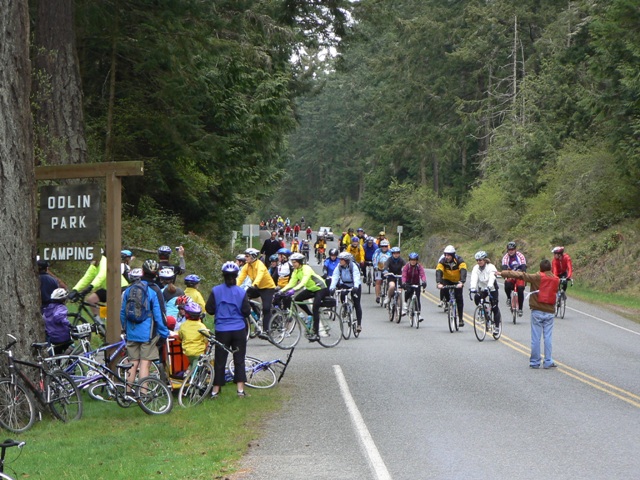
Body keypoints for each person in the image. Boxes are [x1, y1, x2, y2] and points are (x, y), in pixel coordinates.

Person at [498, 259, 560, 369]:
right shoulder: (556, 279)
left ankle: (535, 362)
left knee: (536, 338)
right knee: (548, 337)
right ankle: (548, 361)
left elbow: (520, 275)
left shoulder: (537, 277)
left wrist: (503, 273)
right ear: (550, 268)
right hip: (549, 312)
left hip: (537, 311)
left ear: (540, 268)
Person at [120, 259, 170, 390]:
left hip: (131, 331)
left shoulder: (130, 289)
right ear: (157, 274)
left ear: (142, 272)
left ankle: (128, 391)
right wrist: (164, 333)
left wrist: (125, 329)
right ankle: (143, 393)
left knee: (133, 362)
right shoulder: (154, 290)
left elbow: (122, 313)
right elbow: (160, 315)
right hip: (147, 334)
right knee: (145, 363)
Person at [206, 262, 250, 397]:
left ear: (223, 276)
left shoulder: (216, 290)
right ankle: (240, 390)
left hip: (222, 330)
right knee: (239, 359)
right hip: (238, 329)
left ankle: (215, 390)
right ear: (236, 276)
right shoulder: (241, 292)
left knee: (220, 360)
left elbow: (210, 309)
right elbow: (246, 311)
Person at [279, 252, 327, 342]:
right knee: (297, 299)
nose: (293, 264)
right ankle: (310, 315)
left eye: (295, 262)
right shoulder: (296, 271)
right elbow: (291, 283)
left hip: (320, 288)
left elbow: (303, 282)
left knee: (315, 307)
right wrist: (281, 291)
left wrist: (294, 290)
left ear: (300, 262)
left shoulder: (306, 269)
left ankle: (316, 334)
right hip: (311, 288)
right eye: (292, 262)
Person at [237, 248, 276, 336]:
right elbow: (240, 278)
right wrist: (233, 287)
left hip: (267, 288)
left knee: (266, 308)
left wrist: (254, 284)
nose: (245, 258)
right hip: (257, 287)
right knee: (243, 298)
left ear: (253, 257)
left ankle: (267, 331)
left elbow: (260, 276)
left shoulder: (260, 265)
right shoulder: (247, 266)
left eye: (247, 256)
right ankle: (257, 314)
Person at [469, 251, 501, 335]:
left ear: (485, 260)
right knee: (477, 298)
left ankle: (497, 327)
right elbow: (474, 277)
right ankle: (483, 311)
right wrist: (472, 287)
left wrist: (489, 286)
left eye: (480, 260)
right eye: (477, 260)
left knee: (494, 307)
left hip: (492, 288)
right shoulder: (476, 268)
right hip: (482, 288)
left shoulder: (491, 267)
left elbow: (492, 277)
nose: (479, 262)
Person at [329, 252, 363, 333]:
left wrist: (356, 287)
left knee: (357, 303)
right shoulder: (339, 267)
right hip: (345, 284)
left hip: (355, 284)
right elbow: (335, 276)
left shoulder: (353, 266)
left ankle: (359, 324)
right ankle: (345, 308)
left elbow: (356, 276)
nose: (340, 261)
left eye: (342, 260)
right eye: (340, 259)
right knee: (342, 294)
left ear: (347, 260)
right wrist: (332, 288)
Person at [436, 245, 467, 327]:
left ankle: (460, 319)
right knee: (445, 291)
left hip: (457, 281)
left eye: (449, 255)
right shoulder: (442, 261)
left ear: (453, 255)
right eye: (445, 255)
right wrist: (439, 282)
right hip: (447, 280)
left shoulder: (460, 260)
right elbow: (439, 271)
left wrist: (462, 282)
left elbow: (463, 270)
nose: (447, 257)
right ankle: (449, 304)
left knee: (459, 298)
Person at [177, 302, 208, 370]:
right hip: (199, 352)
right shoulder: (201, 326)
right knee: (197, 368)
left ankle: (188, 374)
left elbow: (180, 336)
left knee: (192, 363)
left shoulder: (183, 325)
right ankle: (192, 378)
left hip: (187, 352)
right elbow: (206, 339)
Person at [42, 288, 72, 354]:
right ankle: (69, 359)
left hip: (52, 337)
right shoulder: (61, 308)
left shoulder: (48, 308)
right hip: (62, 336)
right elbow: (57, 317)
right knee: (72, 345)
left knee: (57, 355)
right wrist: (68, 324)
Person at [501, 241, 527, 317]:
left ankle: (520, 309)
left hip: (519, 275)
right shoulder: (505, 257)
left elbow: (523, 266)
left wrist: (523, 273)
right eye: (509, 250)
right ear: (507, 250)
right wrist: (506, 276)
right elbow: (504, 268)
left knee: (520, 288)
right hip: (510, 274)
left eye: (512, 250)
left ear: (515, 249)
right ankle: (508, 298)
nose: (511, 251)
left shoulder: (520, 256)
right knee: (507, 283)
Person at [401, 252, 427, 322]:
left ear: (417, 260)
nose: (413, 261)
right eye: (411, 260)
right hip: (408, 283)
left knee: (417, 299)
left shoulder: (419, 267)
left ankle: (418, 315)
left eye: (414, 260)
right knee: (408, 291)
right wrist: (403, 283)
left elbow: (422, 275)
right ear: (409, 260)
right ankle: (405, 303)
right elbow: (404, 275)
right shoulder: (407, 266)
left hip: (416, 283)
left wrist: (424, 281)